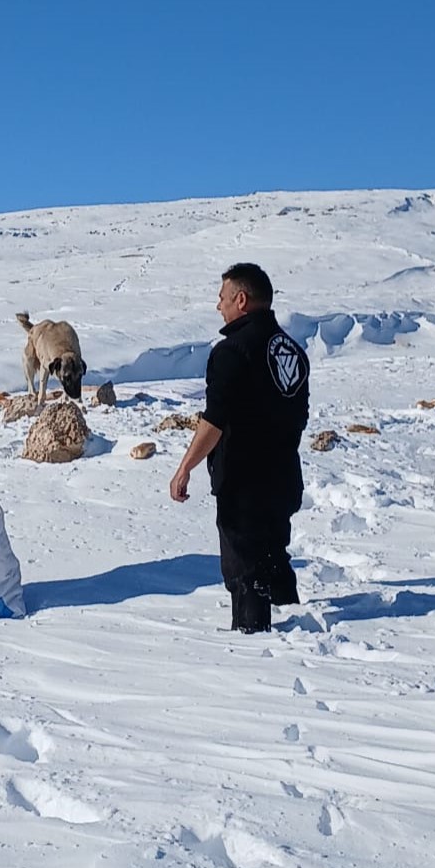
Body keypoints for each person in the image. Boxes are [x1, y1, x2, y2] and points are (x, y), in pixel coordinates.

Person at [170, 263, 311, 633]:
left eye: (222, 298)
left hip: (244, 483)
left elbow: (214, 421)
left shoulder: (232, 351)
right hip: (284, 477)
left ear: (241, 300)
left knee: (245, 572)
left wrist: (185, 467)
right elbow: (299, 415)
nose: (218, 306)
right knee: (271, 555)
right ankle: (293, 628)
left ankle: (255, 648)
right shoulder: (293, 350)